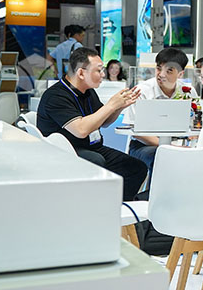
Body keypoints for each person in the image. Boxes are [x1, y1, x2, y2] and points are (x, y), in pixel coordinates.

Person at [36, 47, 148, 203]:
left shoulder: (88, 92)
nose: (103, 74)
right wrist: (110, 105)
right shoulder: (56, 96)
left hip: (91, 146)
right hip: (65, 151)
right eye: (99, 70)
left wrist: (119, 106)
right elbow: (81, 130)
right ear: (81, 73)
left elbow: (104, 122)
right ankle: (94, 206)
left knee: (136, 168)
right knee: (96, 161)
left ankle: (118, 208)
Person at [128, 47, 191, 174]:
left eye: (169, 71)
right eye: (158, 68)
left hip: (178, 142)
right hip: (145, 146)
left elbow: (193, 122)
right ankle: (154, 189)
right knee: (163, 157)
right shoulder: (142, 91)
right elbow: (136, 131)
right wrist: (169, 147)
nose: (161, 74)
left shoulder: (187, 91)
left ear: (180, 74)